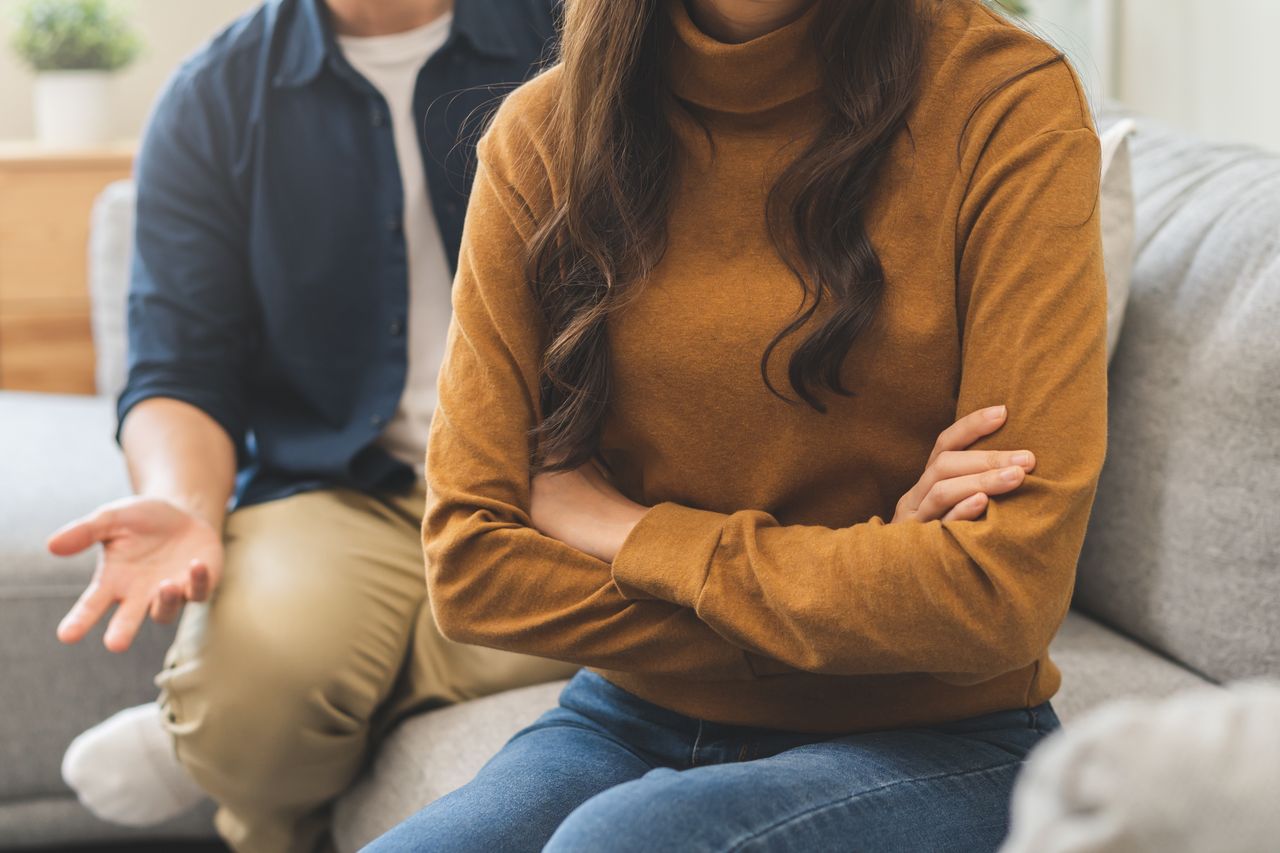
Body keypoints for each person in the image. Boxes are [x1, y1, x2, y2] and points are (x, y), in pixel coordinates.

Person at [365, 0, 1109, 849]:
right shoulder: (542, 135)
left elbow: (1002, 596)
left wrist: (634, 531)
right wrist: (867, 587)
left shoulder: (1006, 104)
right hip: (630, 714)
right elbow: (472, 564)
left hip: (943, 736)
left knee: (625, 840)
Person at [46, 1, 575, 851]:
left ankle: (231, 725)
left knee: (611, 630)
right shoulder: (211, 95)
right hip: (331, 490)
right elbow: (179, 367)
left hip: (548, 482)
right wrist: (185, 502)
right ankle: (236, 716)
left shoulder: (575, 30)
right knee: (253, 698)